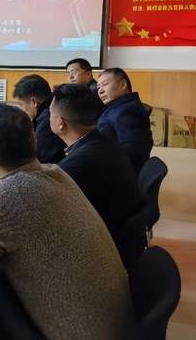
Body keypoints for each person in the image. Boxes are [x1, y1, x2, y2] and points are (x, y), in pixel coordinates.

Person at [0, 104, 135, 340]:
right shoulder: (54, 172)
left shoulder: (7, 195)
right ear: (33, 141)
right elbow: (16, 216)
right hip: (115, 326)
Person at [50, 84, 141, 253]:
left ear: (60, 122)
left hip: (98, 249)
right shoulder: (102, 140)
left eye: (50, 113)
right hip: (115, 234)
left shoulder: (80, 163)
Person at [97, 68, 153, 173]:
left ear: (123, 84)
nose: (100, 91)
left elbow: (133, 152)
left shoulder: (127, 111)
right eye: (98, 87)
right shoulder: (119, 107)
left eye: (105, 84)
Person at [12, 74, 66, 163]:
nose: (21, 110)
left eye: (21, 105)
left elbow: (39, 160)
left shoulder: (47, 122)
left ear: (34, 102)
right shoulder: (56, 105)